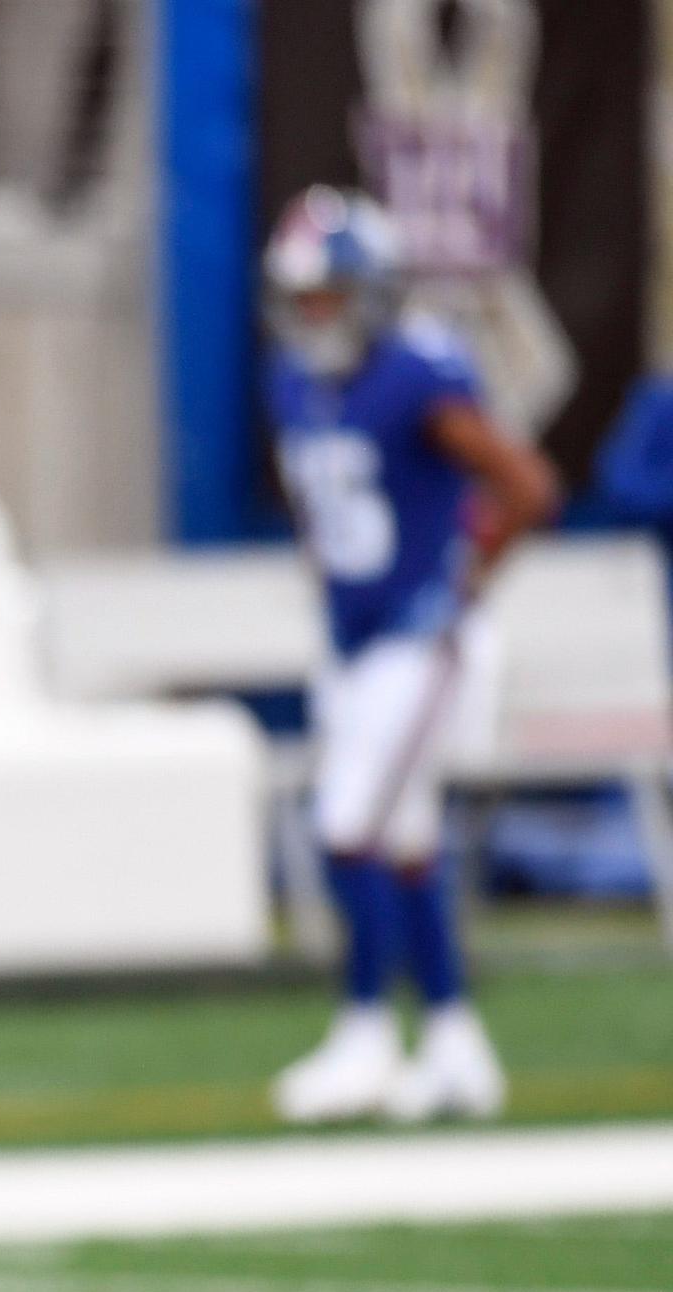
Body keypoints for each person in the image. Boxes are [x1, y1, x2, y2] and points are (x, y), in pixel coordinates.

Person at [259, 186, 556, 1124]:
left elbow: (527, 484)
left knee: (347, 825)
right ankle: (458, 1044)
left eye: (330, 295)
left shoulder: (417, 376)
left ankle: (366, 1034)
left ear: (374, 290)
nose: (316, 315)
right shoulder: (298, 382)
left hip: (420, 639)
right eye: (302, 297)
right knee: (409, 843)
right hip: (356, 640)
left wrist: (462, 580)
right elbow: (321, 505)